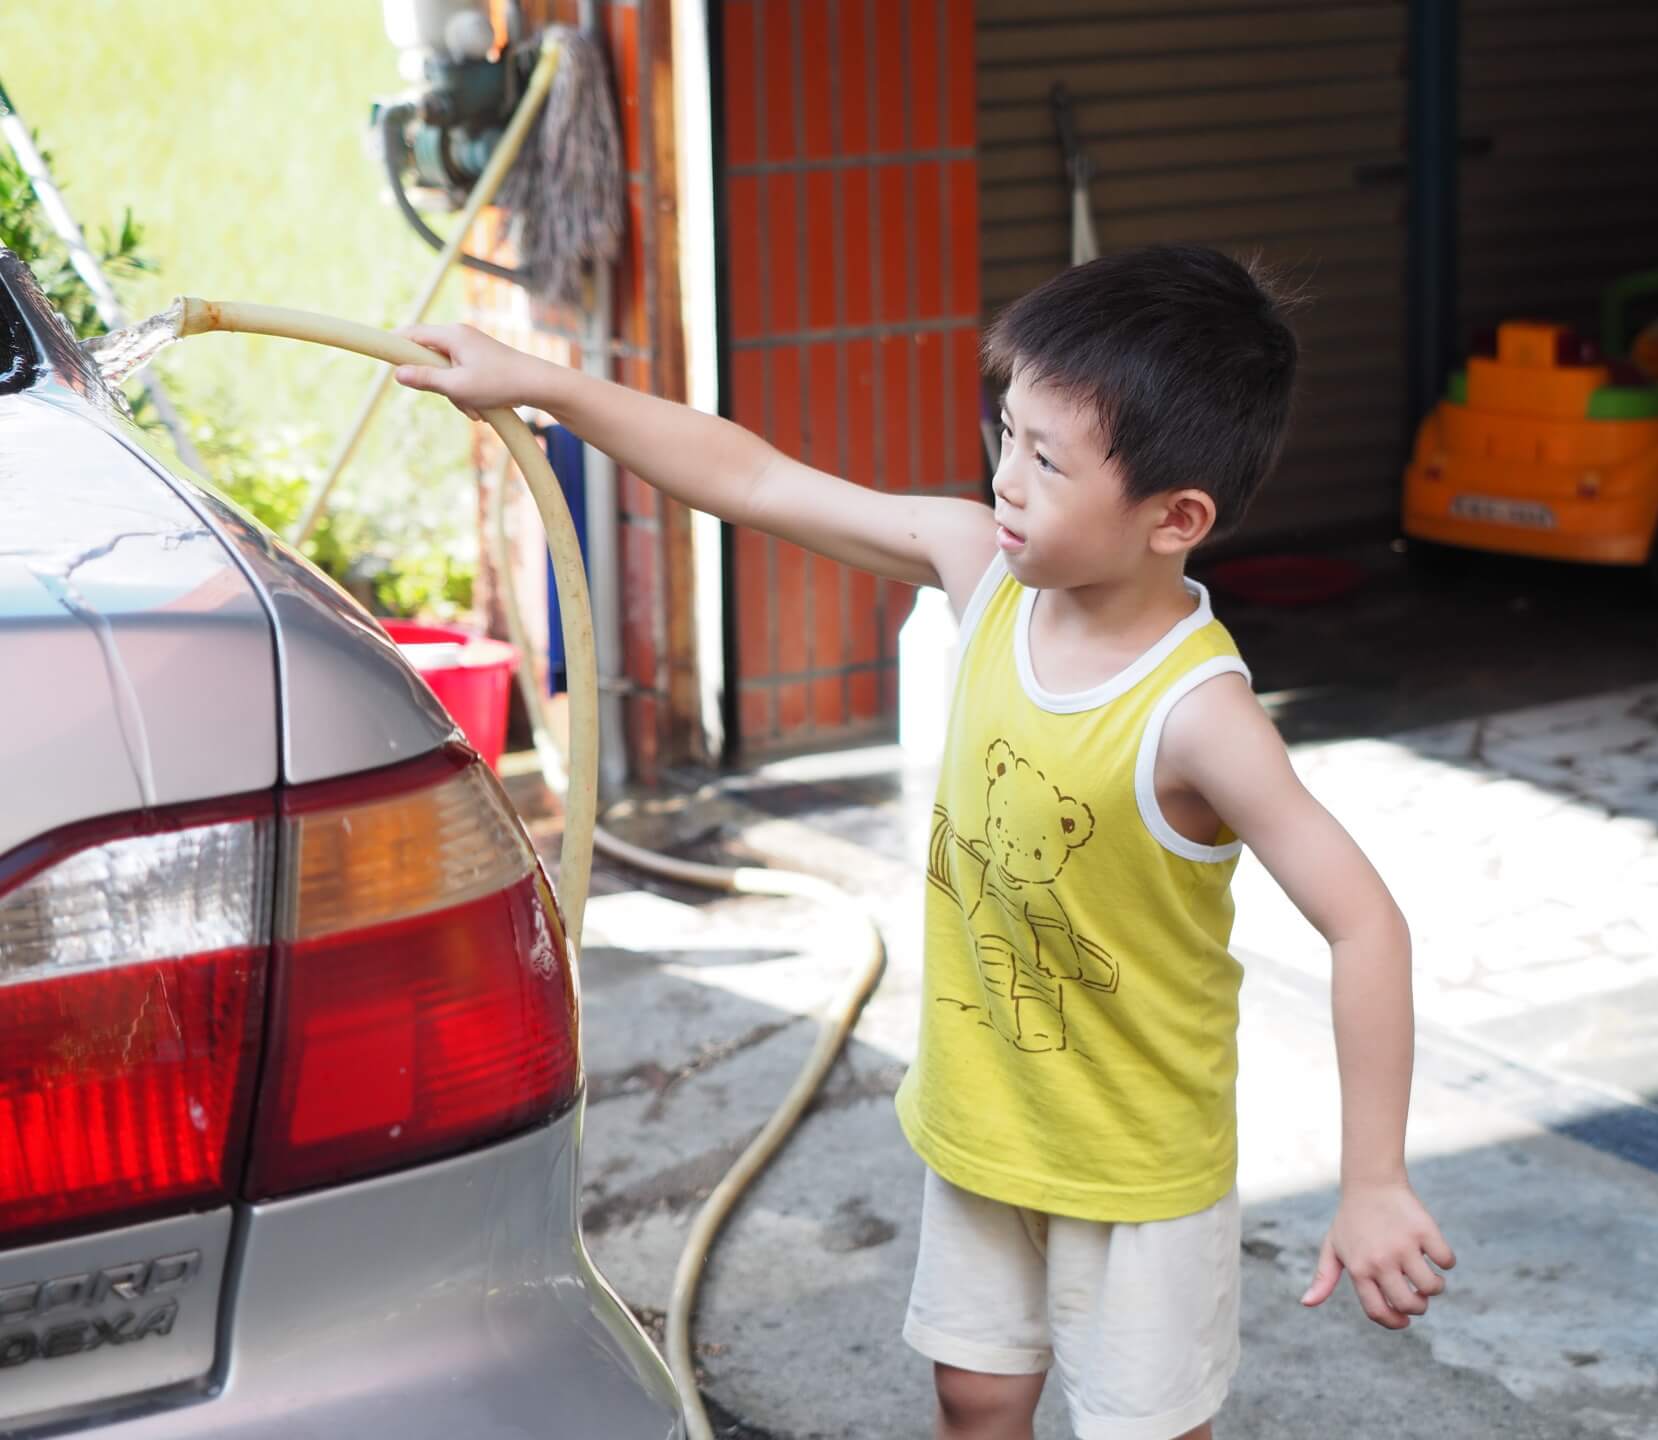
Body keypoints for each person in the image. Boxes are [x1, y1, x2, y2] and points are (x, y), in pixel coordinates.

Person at [397, 244, 1454, 1440]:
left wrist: (1372, 1180)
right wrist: (544, 382)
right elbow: (755, 479)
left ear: (1177, 519)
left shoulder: (1198, 718)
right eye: (1007, 432)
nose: (1006, 477)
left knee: (1142, 1428)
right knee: (975, 1396)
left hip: (1135, 1173)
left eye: (1047, 461)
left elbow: (1366, 922)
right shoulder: (983, 577)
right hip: (985, 1121)